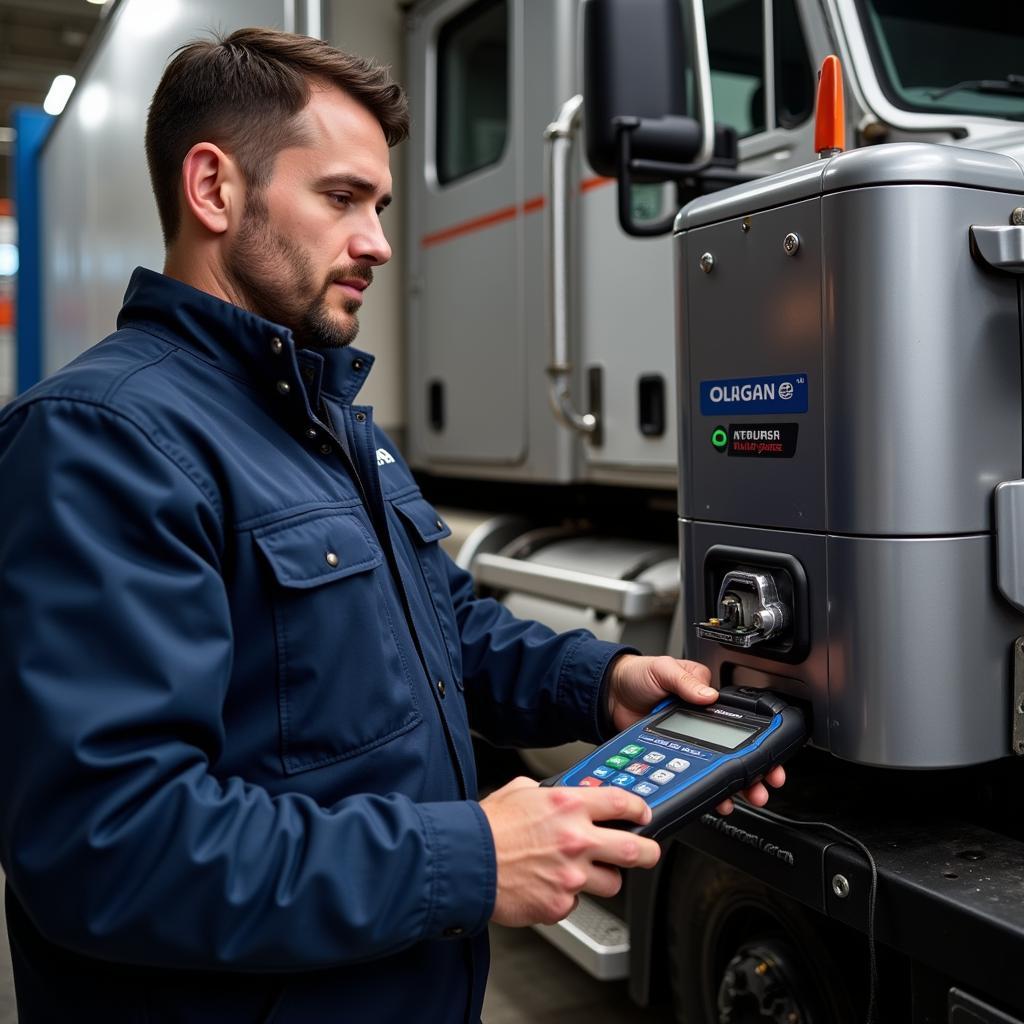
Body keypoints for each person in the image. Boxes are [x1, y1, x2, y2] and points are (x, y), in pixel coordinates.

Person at [0, 28, 784, 1023]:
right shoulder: (103, 439)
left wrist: (602, 684)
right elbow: (107, 844)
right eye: (339, 198)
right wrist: (469, 857)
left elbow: (441, 625)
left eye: (379, 205)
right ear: (213, 190)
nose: (375, 240)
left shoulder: (323, 421)